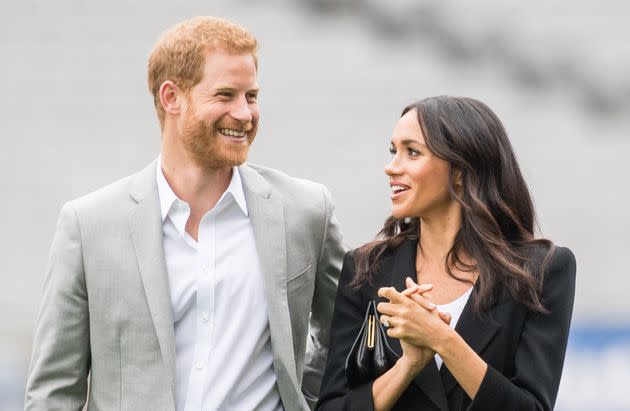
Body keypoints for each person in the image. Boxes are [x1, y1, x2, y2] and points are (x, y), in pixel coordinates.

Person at [25, 16, 344, 411]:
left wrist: (304, 398)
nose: (245, 114)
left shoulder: (307, 211)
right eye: (226, 95)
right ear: (171, 97)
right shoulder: (88, 225)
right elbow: (54, 391)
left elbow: (341, 335)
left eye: (252, 96)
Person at [317, 96, 576, 411]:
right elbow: (332, 406)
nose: (391, 167)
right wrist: (408, 365)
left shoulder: (543, 270)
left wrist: (442, 339)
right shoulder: (365, 269)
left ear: (460, 171)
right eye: (393, 151)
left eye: (412, 152)